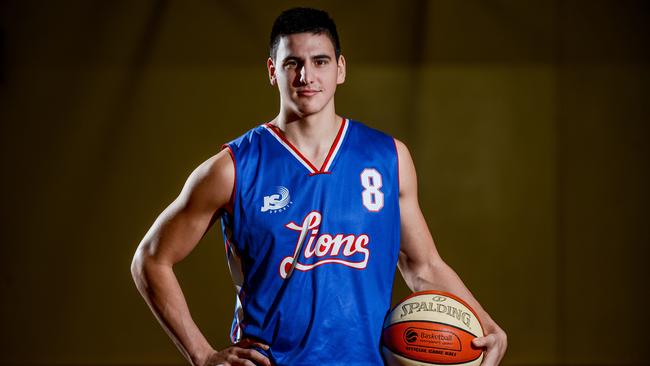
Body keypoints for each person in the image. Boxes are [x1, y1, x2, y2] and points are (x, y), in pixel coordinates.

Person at [131, 7, 507, 366]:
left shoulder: (389, 157)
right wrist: (202, 354)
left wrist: (482, 322)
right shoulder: (232, 168)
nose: (306, 76)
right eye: (292, 63)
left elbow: (422, 264)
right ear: (272, 71)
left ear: (340, 69)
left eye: (320, 61)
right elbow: (150, 258)